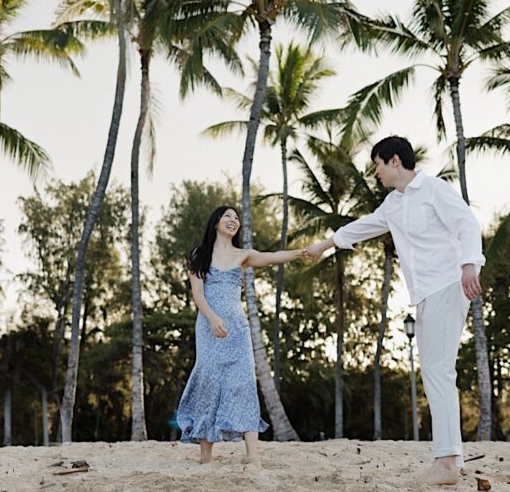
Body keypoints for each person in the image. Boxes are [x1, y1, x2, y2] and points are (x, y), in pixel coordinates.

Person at [303, 136, 484, 486]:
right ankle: (449, 458)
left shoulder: (433, 189)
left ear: (395, 161)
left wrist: (469, 264)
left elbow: (467, 223)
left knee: (438, 372)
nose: (376, 173)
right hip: (425, 294)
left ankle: (447, 463)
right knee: (435, 372)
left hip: (448, 284)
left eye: (377, 165)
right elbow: (364, 226)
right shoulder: (392, 203)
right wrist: (325, 244)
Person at [175, 205, 306, 466]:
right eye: (227, 216)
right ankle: (205, 456)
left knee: (244, 383)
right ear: (216, 223)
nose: (233, 220)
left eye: (236, 218)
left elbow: (272, 257)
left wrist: (300, 253)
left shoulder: (243, 255)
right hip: (209, 326)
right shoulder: (199, 255)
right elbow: (198, 294)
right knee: (208, 383)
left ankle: (253, 456)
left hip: (237, 328)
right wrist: (213, 319)